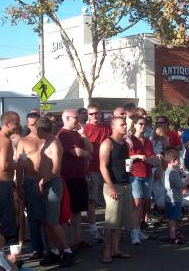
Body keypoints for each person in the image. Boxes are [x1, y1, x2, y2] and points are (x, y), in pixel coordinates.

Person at [33, 117, 75, 267]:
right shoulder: (46, 142)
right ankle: (54, 251)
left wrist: (43, 181)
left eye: (35, 129)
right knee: (47, 222)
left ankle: (67, 251)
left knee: (53, 221)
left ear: (40, 130)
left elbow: (56, 169)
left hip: (52, 184)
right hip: (45, 185)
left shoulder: (54, 144)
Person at [57, 109, 92, 251]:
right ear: (66, 118)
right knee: (67, 212)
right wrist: (86, 154)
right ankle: (64, 245)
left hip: (79, 175)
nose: (78, 120)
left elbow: (89, 149)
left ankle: (77, 239)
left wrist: (83, 135)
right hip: (69, 177)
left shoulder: (76, 133)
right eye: (75, 118)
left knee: (77, 211)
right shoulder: (64, 134)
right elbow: (76, 152)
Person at [99, 117, 132, 263]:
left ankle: (116, 249)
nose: (125, 127)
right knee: (111, 222)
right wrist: (111, 187)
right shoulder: (107, 143)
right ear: (114, 127)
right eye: (122, 124)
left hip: (125, 184)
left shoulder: (125, 143)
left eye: (125, 124)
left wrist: (129, 170)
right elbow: (102, 166)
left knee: (120, 221)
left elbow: (124, 163)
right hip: (113, 186)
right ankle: (107, 251)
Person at [16, 112, 45, 260]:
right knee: (33, 217)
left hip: (48, 181)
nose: (34, 127)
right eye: (31, 124)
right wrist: (19, 185)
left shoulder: (48, 139)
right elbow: (20, 165)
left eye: (36, 124)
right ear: (27, 125)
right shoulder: (23, 142)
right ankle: (37, 249)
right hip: (30, 181)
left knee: (49, 217)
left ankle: (51, 247)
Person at [83, 102, 112, 243]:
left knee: (109, 199)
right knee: (92, 200)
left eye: (97, 113)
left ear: (101, 113)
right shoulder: (85, 129)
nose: (95, 116)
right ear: (88, 115)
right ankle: (94, 230)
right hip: (92, 169)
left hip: (107, 168)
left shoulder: (107, 128)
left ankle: (109, 228)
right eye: (91, 114)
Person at [0, 111, 20, 240]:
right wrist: (19, 164)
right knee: (6, 221)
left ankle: (0, 251)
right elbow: (4, 165)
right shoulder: (6, 141)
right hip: (3, 183)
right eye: (16, 123)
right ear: (7, 124)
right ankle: (5, 252)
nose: (18, 126)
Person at [128, 116, 155, 245]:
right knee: (137, 204)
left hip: (147, 173)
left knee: (144, 202)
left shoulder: (148, 141)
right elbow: (125, 157)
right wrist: (137, 156)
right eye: (140, 124)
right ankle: (134, 232)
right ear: (134, 125)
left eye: (145, 124)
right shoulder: (129, 139)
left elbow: (151, 157)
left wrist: (153, 160)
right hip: (134, 174)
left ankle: (137, 229)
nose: (143, 126)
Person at [164, 149, 189, 244]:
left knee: (172, 217)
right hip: (174, 199)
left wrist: (180, 173)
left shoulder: (168, 171)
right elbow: (180, 185)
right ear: (173, 161)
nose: (179, 162)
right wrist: (187, 179)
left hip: (169, 198)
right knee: (173, 219)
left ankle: (174, 234)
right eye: (178, 160)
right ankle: (172, 236)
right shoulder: (173, 172)